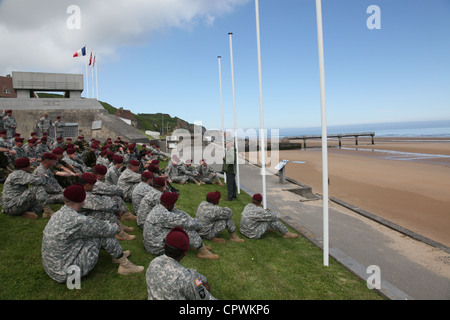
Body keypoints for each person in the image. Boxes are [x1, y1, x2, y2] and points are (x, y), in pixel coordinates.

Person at [41, 184, 144, 284]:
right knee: (101, 234)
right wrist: (116, 227)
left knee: (96, 230)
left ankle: (116, 256)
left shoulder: (58, 214)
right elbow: (106, 229)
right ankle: (124, 264)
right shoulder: (78, 220)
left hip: (52, 267)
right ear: (82, 199)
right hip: (67, 272)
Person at [146, 227, 217, 300]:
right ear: (184, 253)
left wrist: (200, 279)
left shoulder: (153, 263)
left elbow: (189, 274)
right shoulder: (186, 278)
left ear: (164, 246)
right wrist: (200, 285)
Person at [143, 192, 219, 259]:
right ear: (169, 205)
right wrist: (198, 225)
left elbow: (180, 213)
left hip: (153, 240)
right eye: (173, 204)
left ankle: (195, 244)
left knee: (183, 226)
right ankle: (202, 251)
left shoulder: (160, 207)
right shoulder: (164, 215)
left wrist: (192, 220)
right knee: (186, 229)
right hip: (154, 247)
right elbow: (187, 223)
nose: (174, 205)